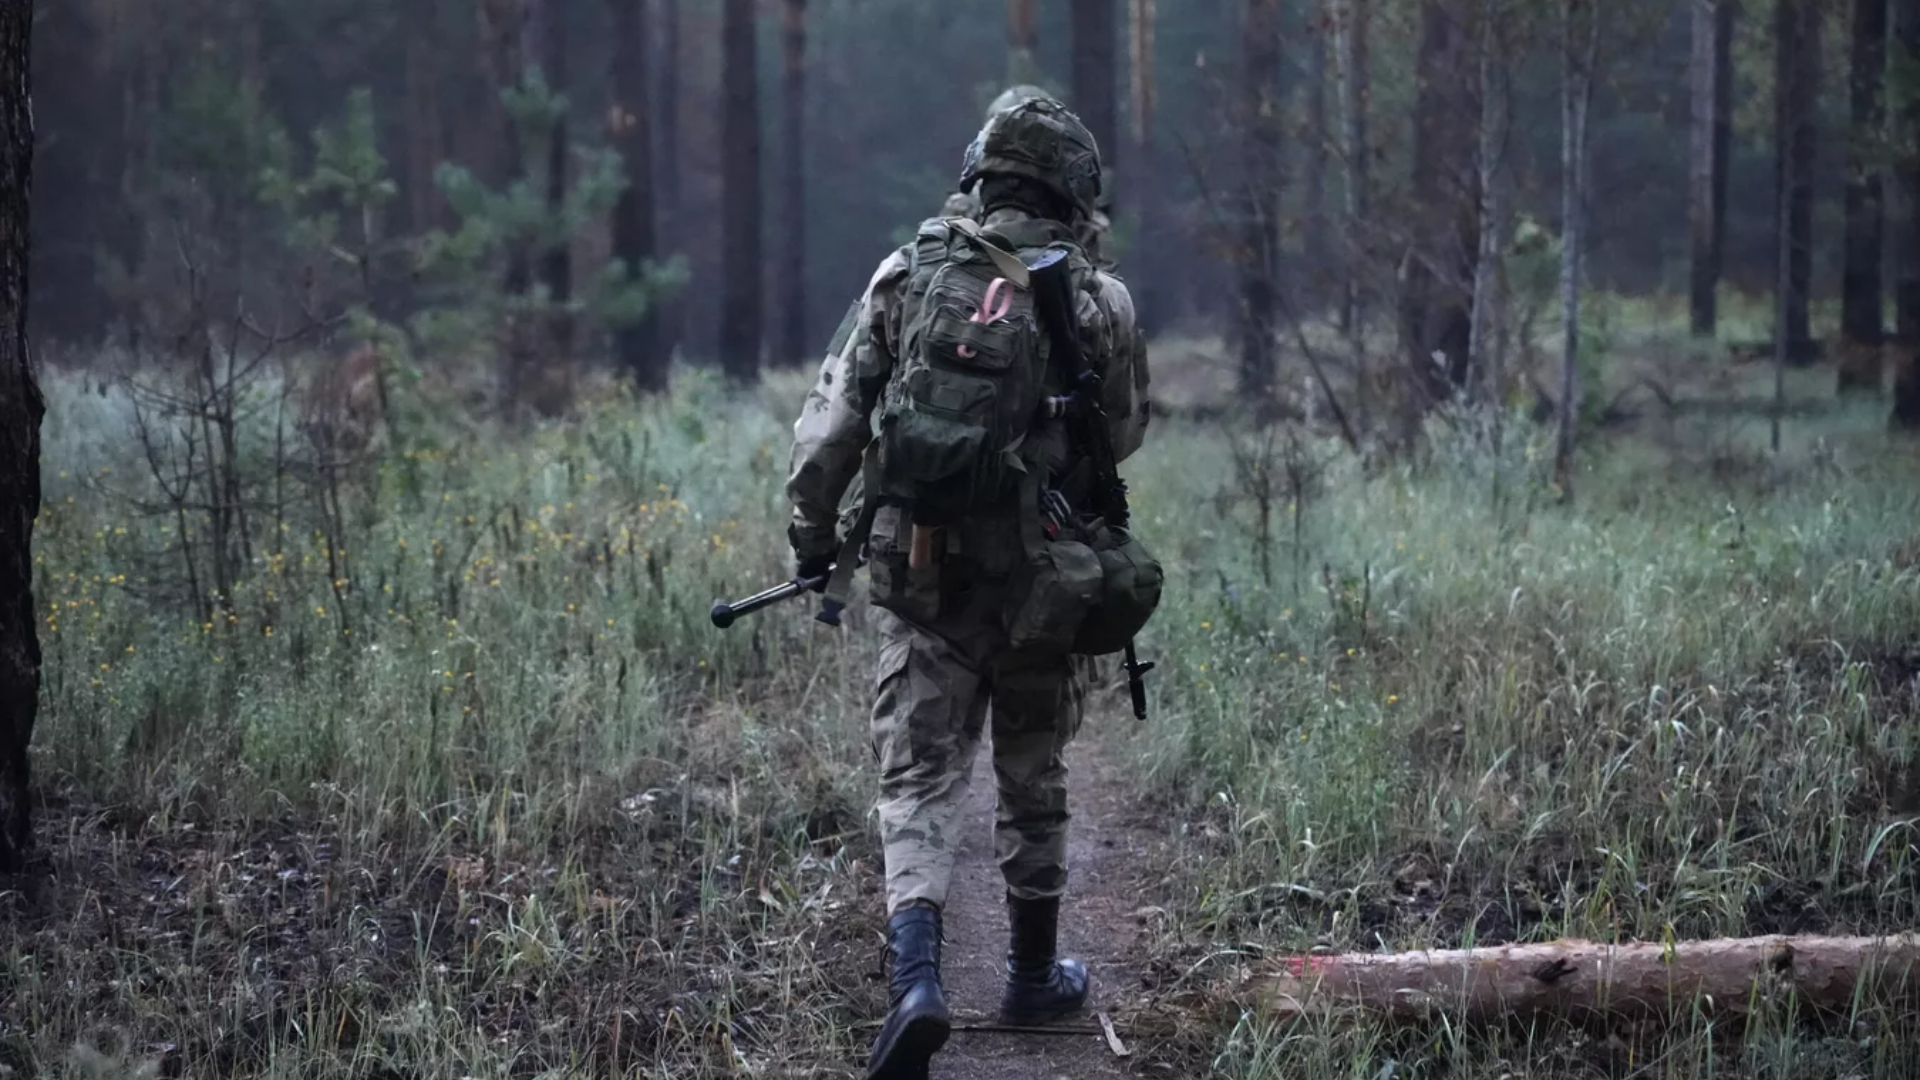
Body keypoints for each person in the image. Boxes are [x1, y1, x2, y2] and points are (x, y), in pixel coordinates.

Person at [785, 100, 1150, 1079]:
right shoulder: (1100, 301)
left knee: (918, 775)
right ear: (1074, 189)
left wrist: (812, 542)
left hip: (923, 570)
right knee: (1033, 769)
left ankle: (917, 984)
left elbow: (829, 429)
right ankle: (1031, 975)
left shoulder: (908, 274)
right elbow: (1122, 436)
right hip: (1044, 577)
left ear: (981, 176)